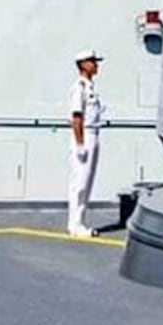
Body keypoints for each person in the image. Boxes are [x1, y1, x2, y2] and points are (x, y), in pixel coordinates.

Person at [67, 49, 106, 237]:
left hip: (94, 134)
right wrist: (80, 144)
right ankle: (75, 225)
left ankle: (80, 222)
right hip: (85, 136)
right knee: (80, 183)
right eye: (92, 61)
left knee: (87, 182)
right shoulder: (80, 88)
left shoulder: (90, 87)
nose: (96, 65)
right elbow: (76, 118)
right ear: (83, 65)